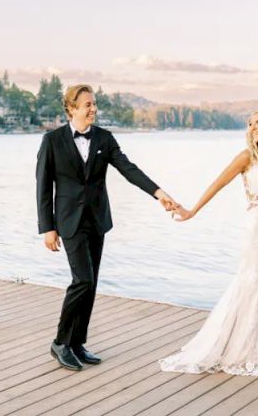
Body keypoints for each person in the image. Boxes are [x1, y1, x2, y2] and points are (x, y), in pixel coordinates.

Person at [160, 109, 258, 376]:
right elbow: (217, 184)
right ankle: (243, 346)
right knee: (253, 284)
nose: (253, 127)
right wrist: (192, 211)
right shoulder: (246, 157)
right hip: (256, 231)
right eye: (250, 123)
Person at [36, 84, 177, 371]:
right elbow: (42, 187)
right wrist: (47, 228)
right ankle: (60, 342)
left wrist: (158, 193)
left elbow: (128, 169)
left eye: (94, 104)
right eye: (87, 104)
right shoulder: (52, 140)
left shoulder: (104, 138)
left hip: (97, 220)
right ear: (71, 108)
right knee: (82, 280)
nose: (93, 109)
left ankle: (77, 343)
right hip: (69, 222)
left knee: (92, 283)